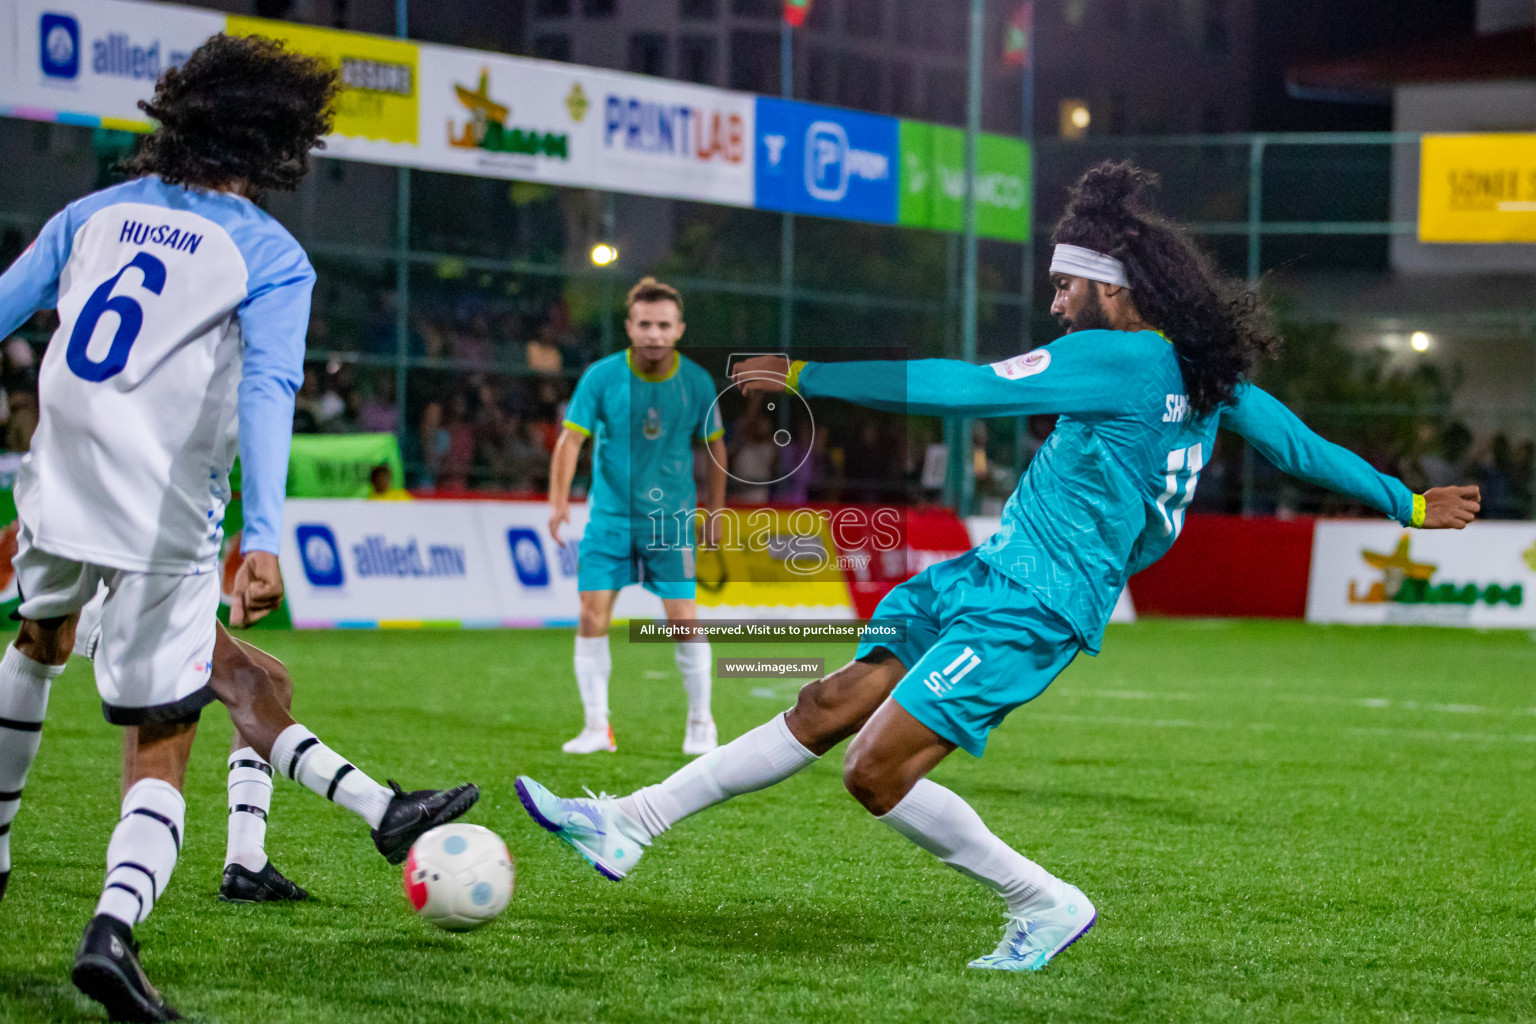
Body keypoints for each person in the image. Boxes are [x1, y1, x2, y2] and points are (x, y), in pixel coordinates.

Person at [514, 163, 1482, 971]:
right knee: (823, 706)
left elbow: (965, 392)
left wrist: (810, 375)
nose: (1055, 300)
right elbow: (1299, 446)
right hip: (991, 577)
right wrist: (1402, 501)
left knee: (872, 770)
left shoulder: (1119, 354)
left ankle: (1045, 900)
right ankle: (629, 821)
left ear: (1111, 288)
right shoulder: (1196, 369)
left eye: (1067, 285)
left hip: (1037, 605)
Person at [0, 35, 477, 1021]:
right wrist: (261, 531)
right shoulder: (268, 253)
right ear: (279, 144)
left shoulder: (92, 211)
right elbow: (268, 387)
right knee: (163, 737)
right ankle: (114, 930)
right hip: (161, 511)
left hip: (55, 478)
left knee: (39, 645)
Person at [547, 277, 728, 756]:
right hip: (608, 520)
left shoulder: (697, 382)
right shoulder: (602, 377)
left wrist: (717, 510)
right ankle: (595, 728)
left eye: (663, 325)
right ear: (630, 327)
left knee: (682, 618)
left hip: (670, 524)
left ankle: (700, 723)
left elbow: (714, 448)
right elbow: (571, 440)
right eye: (645, 324)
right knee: (591, 615)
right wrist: (559, 501)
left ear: (679, 329)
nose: (654, 333)